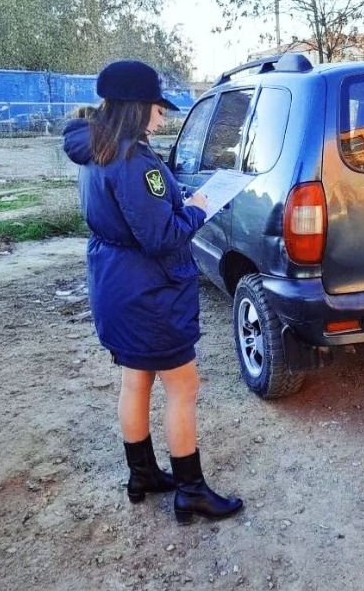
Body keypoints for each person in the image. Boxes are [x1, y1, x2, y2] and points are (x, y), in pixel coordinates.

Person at [62, 60, 242, 525]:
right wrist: (197, 207)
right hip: (149, 291)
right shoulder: (133, 161)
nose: (161, 118)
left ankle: (141, 475)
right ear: (137, 107)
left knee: (136, 379)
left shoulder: (96, 147)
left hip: (115, 284)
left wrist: (171, 198)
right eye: (158, 109)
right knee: (184, 386)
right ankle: (191, 492)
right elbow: (161, 237)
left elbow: (131, 213)